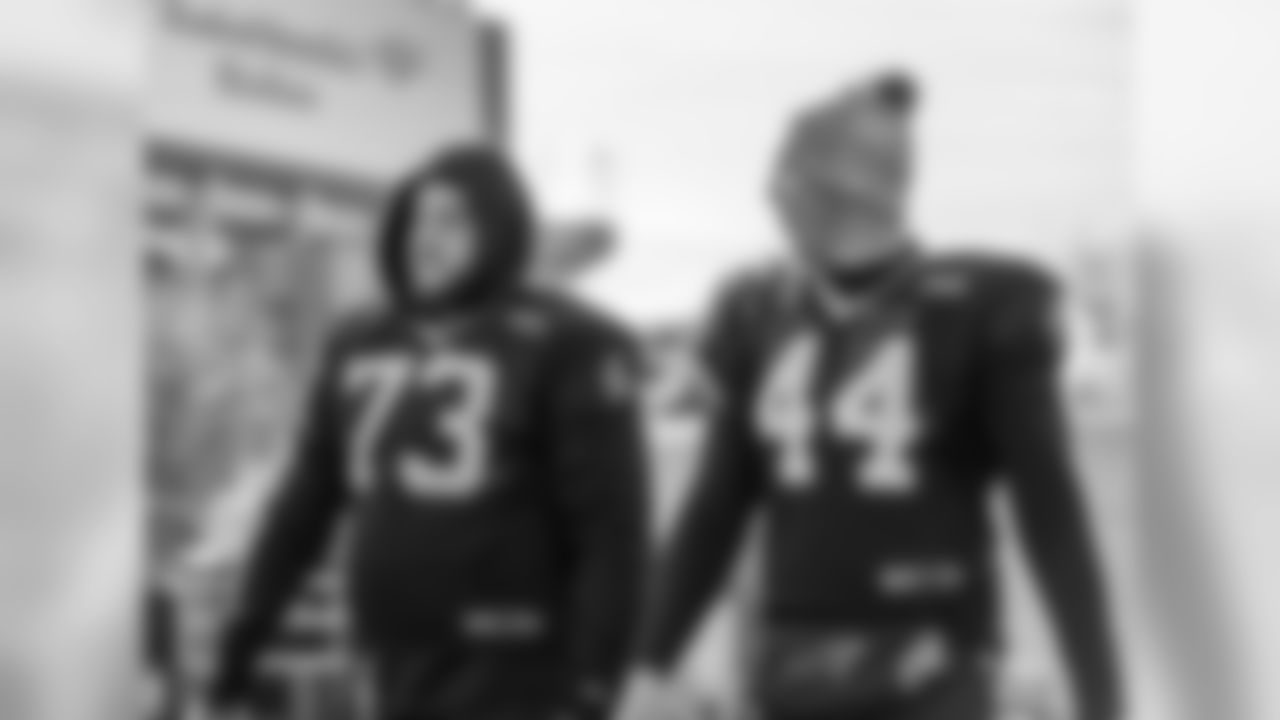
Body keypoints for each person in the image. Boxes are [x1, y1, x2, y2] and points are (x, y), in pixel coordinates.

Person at [622, 72, 1123, 720]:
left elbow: (1052, 517)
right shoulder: (755, 308)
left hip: (933, 668)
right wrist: (646, 665)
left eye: (791, 179)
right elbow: (714, 509)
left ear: (847, 188)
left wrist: (1100, 698)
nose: (774, 198)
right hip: (793, 668)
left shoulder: (981, 306)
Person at [205, 145, 649, 720]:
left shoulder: (569, 342)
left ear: (500, 228)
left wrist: (592, 690)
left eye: (452, 219)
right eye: (418, 218)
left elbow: (612, 535)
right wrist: (238, 653)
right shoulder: (360, 339)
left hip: (518, 679)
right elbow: (300, 511)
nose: (426, 238)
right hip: (392, 669)